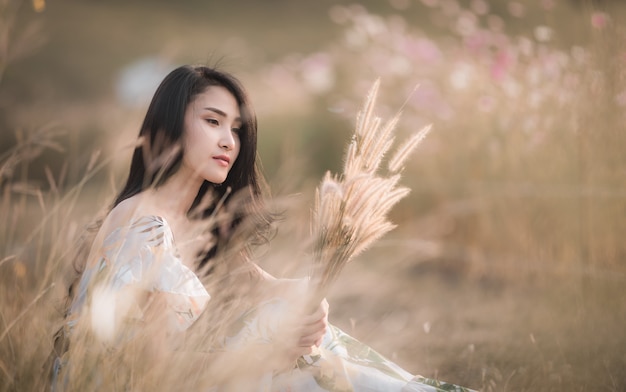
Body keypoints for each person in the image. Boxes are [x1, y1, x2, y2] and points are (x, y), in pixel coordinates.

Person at [50, 65, 473, 391]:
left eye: (236, 129)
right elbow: (148, 374)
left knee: (290, 327)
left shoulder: (200, 220)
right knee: (286, 351)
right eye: (213, 122)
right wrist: (263, 355)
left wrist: (313, 305)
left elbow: (269, 287)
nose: (229, 142)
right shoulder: (143, 224)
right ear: (172, 122)